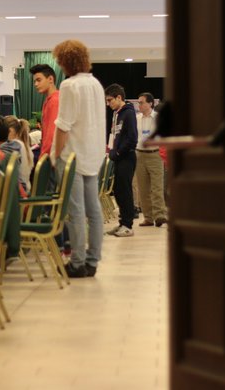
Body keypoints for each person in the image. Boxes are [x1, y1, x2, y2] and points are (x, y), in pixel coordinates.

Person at [51, 39, 105, 278]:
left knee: (75, 212)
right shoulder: (96, 84)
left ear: (65, 62)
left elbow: (63, 126)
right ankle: (92, 261)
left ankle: (77, 263)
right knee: (94, 211)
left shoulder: (69, 85)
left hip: (71, 156)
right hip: (93, 155)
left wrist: (55, 155)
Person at [105, 83, 138, 237]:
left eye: (110, 100)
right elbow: (115, 135)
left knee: (125, 191)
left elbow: (132, 138)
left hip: (127, 157)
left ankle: (128, 225)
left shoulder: (129, 113)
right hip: (119, 157)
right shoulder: (116, 114)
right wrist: (111, 150)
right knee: (118, 191)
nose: (108, 103)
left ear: (119, 97)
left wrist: (118, 152)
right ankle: (123, 222)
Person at [135, 92, 168, 227]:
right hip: (139, 155)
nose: (139, 105)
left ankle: (160, 216)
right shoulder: (136, 118)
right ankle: (148, 218)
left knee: (157, 187)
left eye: (141, 102)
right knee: (143, 189)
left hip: (155, 154)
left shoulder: (158, 117)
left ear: (150, 103)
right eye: (138, 102)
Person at [29, 63, 59, 161]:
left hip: (52, 157)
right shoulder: (49, 100)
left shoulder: (54, 101)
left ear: (50, 79)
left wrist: (42, 159)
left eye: (39, 80)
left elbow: (52, 135)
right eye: (34, 81)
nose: (35, 84)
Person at [3, 115, 34, 192]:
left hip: (18, 193)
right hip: (26, 188)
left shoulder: (12, 147)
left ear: (9, 131)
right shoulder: (25, 147)